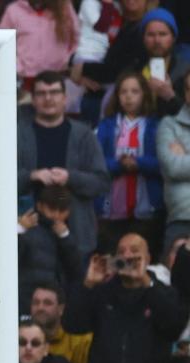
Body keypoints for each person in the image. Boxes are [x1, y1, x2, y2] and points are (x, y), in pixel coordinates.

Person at [64, 233, 188, 363]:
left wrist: (146, 284)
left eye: (135, 251)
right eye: (121, 252)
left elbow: (173, 328)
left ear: (148, 259)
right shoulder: (102, 291)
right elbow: (73, 324)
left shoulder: (163, 292)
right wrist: (88, 285)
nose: (128, 256)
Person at [17, 71, 110, 259]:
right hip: (30, 238)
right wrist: (32, 176)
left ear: (65, 98)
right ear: (33, 99)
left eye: (54, 92)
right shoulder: (18, 135)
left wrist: (70, 177)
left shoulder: (84, 135)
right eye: (41, 93)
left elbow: (101, 182)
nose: (48, 98)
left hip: (76, 235)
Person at [95, 71, 165, 256]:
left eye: (135, 91)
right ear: (117, 96)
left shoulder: (156, 126)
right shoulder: (106, 126)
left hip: (146, 210)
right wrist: (120, 164)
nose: (128, 97)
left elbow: (163, 163)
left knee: (141, 260)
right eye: (123, 92)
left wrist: (138, 163)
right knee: (112, 260)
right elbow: (96, 163)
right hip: (112, 210)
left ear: (144, 95)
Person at [17, 184, 82, 312]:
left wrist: (65, 237)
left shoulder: (69, 233)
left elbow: (76, 269)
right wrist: (20, 230)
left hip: (58, 302)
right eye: (52, 209)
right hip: (27, 300)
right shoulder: (27, 228)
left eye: (62, 210)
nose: (56, 215)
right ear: (40, 206)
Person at [0, 0, 80, 84]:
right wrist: (18, 66)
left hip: (59, 76)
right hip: (25, 79)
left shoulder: (64, 6)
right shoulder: (13, 10)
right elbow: (2, 45)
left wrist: (67, 60)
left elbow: (77, 39)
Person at [157, 75, 190, 257]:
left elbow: (180, 166)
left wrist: (185, 156)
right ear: (185, 93)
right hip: (182, 216)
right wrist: (179, 162)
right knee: (175, 281)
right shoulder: (169, 125)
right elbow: (172, 167)